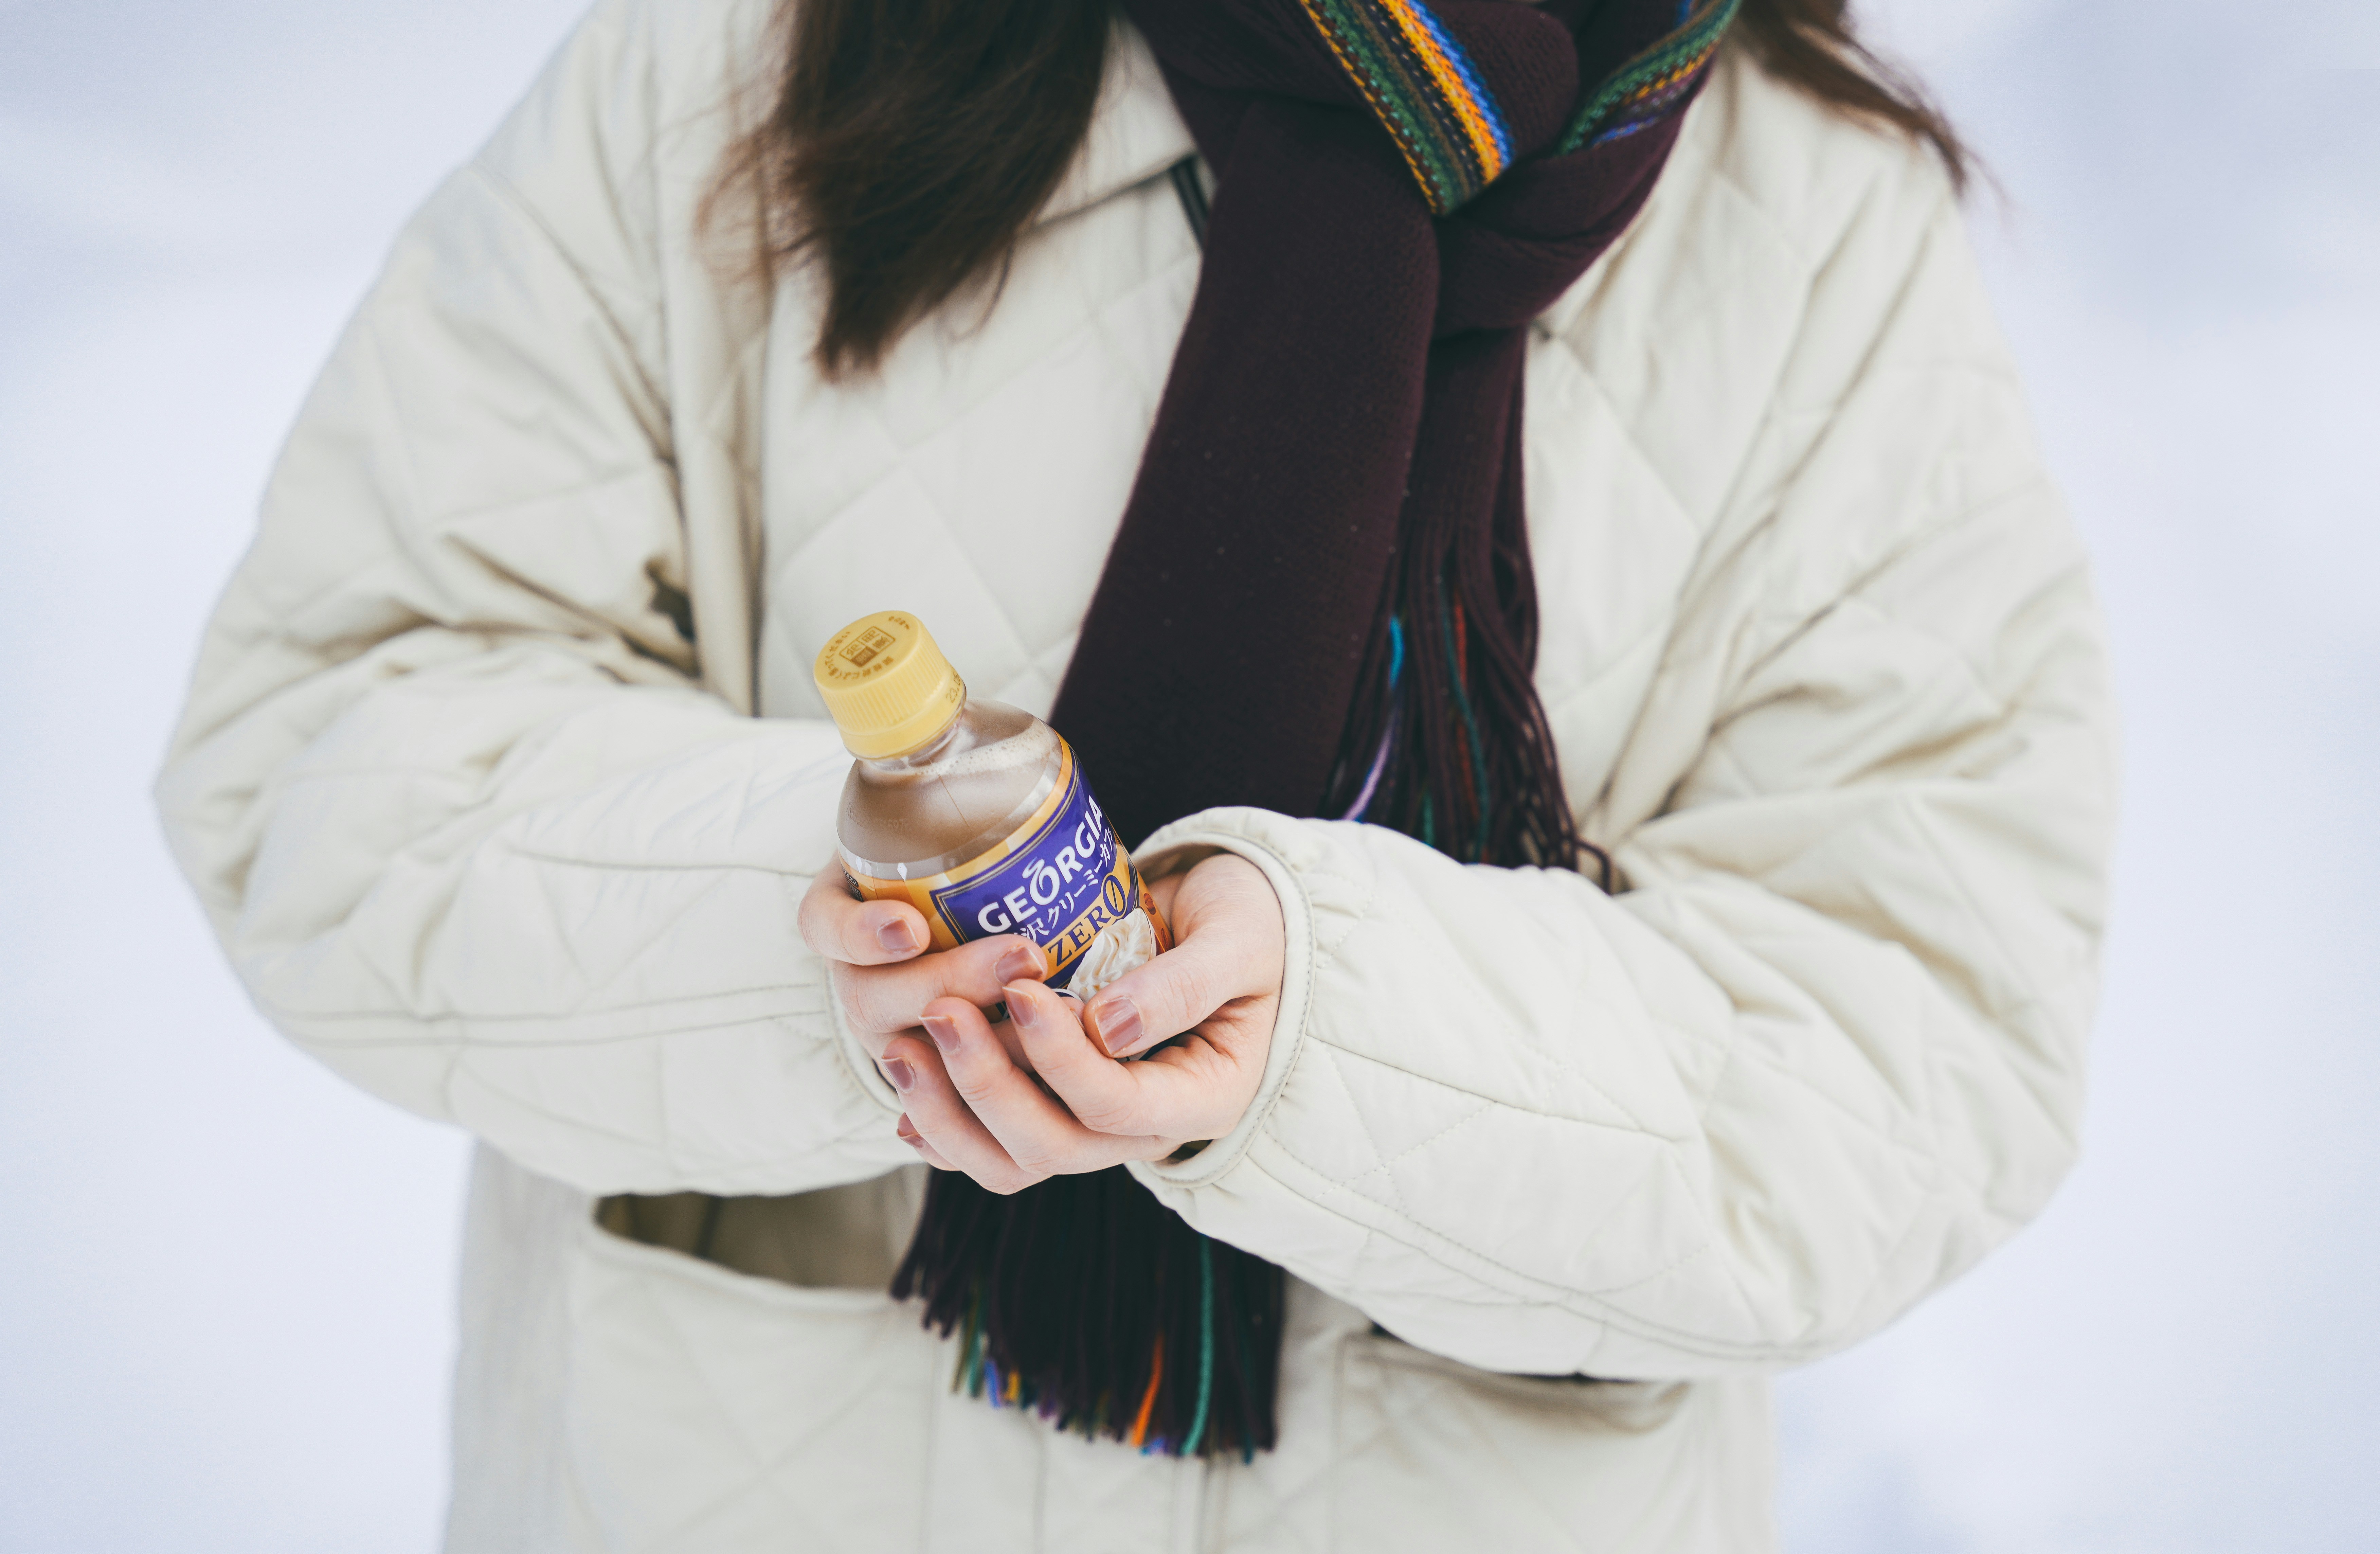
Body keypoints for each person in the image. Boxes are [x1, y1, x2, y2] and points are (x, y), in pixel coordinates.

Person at [156, 0, 2117, 1546]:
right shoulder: (750, 58)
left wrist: (1335, 1029)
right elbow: (334, 748)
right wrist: (845, 917)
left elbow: (1917, 1016)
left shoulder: (1817, 226)